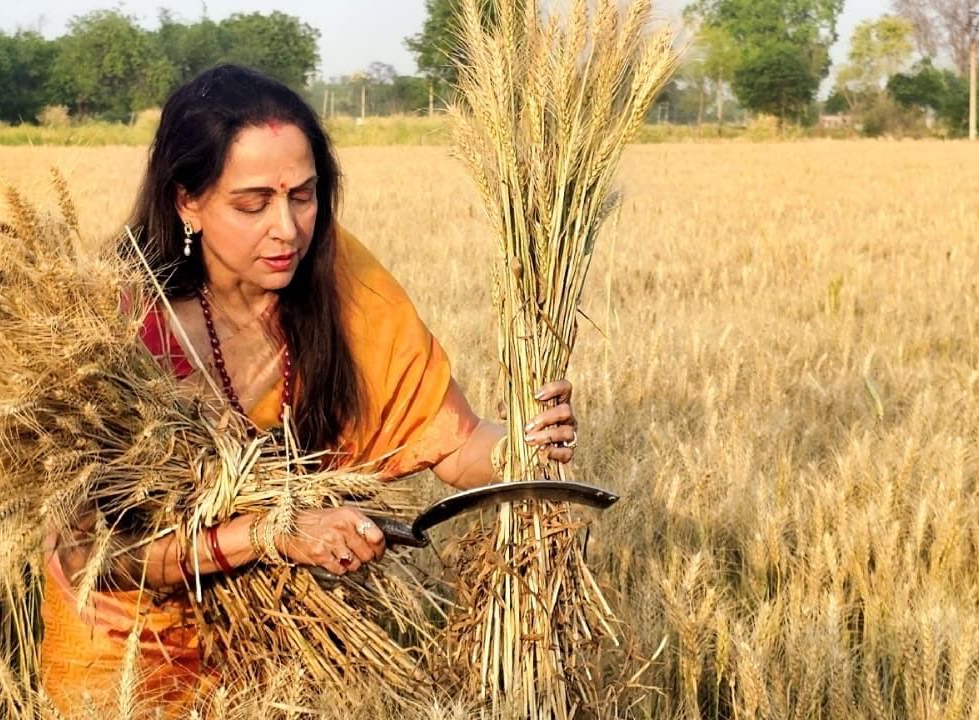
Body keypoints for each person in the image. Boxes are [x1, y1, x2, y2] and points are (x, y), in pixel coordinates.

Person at [38, 64, 580, 717]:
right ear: (188, 200)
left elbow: (455, 441)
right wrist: (272, 533)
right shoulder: (112, 328)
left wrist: (522, 445)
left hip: (278, 648)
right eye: (253, 202)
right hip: (126, 657)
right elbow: (98, 554)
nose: (288, 229)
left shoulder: (339, 280)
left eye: (303, 195)